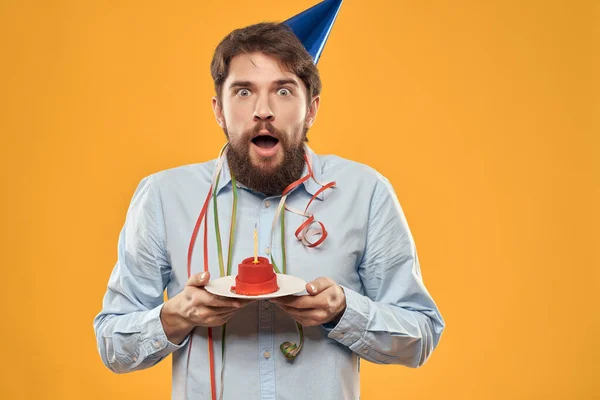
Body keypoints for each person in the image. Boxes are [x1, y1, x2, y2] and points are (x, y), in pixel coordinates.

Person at [94, 3, 445, 399]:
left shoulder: (365, 192)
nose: (263, 111)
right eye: (243, 92)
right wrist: (175, 316)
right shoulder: (162, 197)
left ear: (310, 108)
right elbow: (112, 345)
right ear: (219, 111)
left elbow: (421, 335)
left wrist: (345, 311)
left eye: (283, 90)